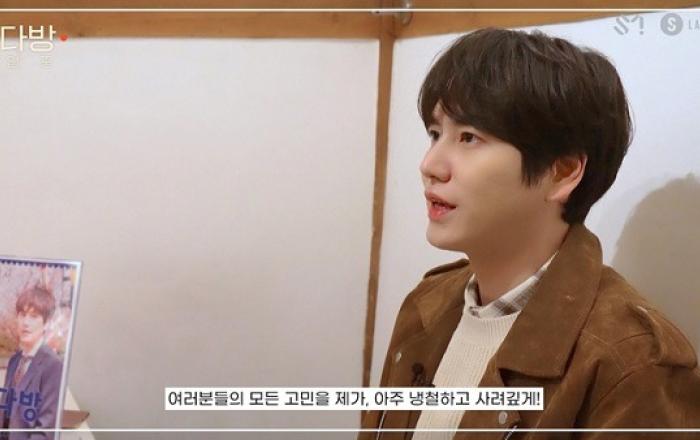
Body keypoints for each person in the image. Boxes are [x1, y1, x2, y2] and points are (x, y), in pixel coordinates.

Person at [359, 27, 700, 439]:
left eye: (469, 137)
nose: (430, 165)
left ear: (563, 172)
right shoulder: (425, 305)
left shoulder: (632, 362)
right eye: (435, 134)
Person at [1, 287, 62, 440]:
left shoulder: (53, 366)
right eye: (22, 315)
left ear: (46, 323)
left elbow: (45, 431)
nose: (25, 323)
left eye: (34, 316)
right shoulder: (14, 361)